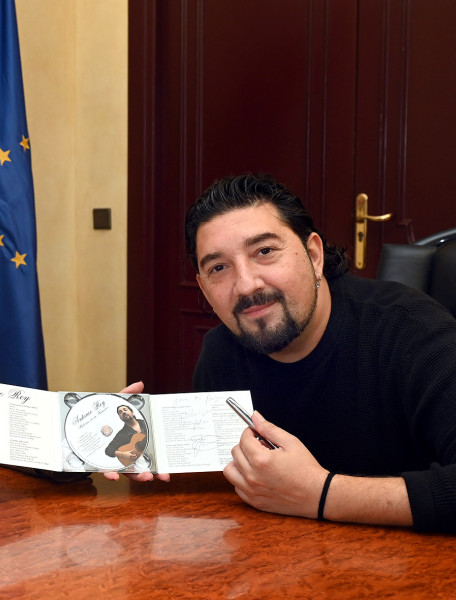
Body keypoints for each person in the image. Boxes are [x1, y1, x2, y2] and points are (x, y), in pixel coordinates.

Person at [185, 173, 456, 533]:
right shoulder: (220, 353)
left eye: (264, 252)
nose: (246, 285)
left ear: (313, 255)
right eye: (219, 268)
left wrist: (321, 493)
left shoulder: (411, 332)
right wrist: (106, 445)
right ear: (204, 288)